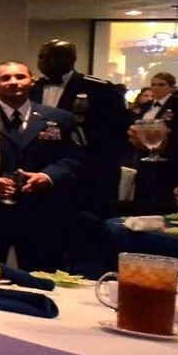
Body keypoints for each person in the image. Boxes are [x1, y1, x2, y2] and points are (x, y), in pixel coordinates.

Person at [0, 61, 83, 271]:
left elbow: (74, 159)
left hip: (41, 210)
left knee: (41, 276)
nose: (13, 82)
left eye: (20, 77)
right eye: (5, 78)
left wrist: (48, 176)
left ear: (32, 81)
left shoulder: (59, 118)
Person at [31, 38, 133, 233]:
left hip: (89, 171)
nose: (45, 61)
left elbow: (119, 131)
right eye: (41, 57)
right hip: (45, 170)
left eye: (52, 57)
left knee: (88, 229)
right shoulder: (32, 88)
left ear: (71, 59)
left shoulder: (99, 88)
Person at [128, 70, 178, 210]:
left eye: (162, 85)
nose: (156, 88)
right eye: (153, 84)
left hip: (167, 159)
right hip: (143, 156)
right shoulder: (146, 106)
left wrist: (164, 150)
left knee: (159, 195)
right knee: (142, 193)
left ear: (171, 88)